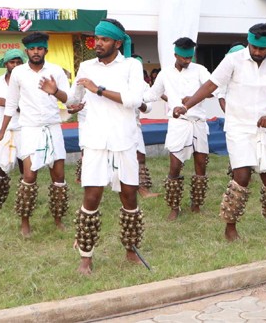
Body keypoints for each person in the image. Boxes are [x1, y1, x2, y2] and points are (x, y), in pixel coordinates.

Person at [174, 23, 266, 242]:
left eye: (262, 49)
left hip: (264, 128)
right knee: (242, 176)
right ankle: (230, 228)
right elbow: (210, 85)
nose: (257, 52)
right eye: (254, 47)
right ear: (248, 42)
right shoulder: (233, 60)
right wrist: (187, 105)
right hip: (238, 127)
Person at [66, 19, 146, 275]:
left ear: (117, 42)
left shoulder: (132, 65)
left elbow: (133, 100)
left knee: (129, 197)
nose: (98, 43)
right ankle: (85, 258)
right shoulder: (86, 66)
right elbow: (73, 99)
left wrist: (98, 89)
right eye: (96, 39)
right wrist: (60, 95)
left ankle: (131, 249)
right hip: (95, 142)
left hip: (124, 141)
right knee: (91, 197)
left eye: (104, 39)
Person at [0, 32, 70, 237]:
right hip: (30, 130)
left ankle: (58, 219)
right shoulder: (18, 73)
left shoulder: (56, 71)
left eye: (40, 48)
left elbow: (68, 100)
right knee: (29, 175)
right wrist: (1, 132)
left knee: (59, 176)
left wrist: (54, 91)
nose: (36, 52)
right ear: (27, 51)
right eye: (32, 49)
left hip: (53, 128)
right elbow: (11, 104)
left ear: (46, 50)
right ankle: (25, 221)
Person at [144, 37, 211, 220]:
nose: (188, 61)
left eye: (190, 57)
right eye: (184, 58)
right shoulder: (165, 73)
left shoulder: (200, 70)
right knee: (174, 166)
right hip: (178, 124)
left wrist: (193, 97)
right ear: (175, 55)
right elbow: (152, 94)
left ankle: (196, 205)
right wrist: (134, 98)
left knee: (201, 165)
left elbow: (211, 89)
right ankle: (174, 207)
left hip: (198, 123)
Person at [0, 49, 27, 209]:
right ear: (5, 64)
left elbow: (31, 109)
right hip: (3, 131)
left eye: (18, 62)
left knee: (26, 167)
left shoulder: (28, 83)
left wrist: (8, 103)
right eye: (12, 62)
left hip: (24, 129)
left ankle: (25, 201)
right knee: (1, 168)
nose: (15, 65)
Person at [131, 54, 158, 200]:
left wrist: (138, 102)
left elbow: (148, 108)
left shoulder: (143, 85)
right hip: (115, 125)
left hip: (134, 125)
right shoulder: (119, 80)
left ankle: (143, 189)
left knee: (140, 157)